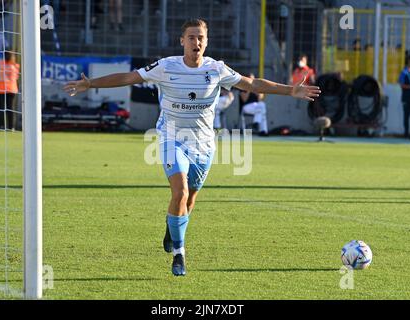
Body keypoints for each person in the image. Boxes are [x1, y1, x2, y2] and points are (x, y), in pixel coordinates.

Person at [63, 18, 320, 276]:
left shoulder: (217, 69)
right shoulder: (166, 66)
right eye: (191, 37)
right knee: (180, 191)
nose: (196, 42)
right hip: (170, 137)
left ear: (206, 42)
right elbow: (129, 77)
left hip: (204, 144)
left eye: (201, 38)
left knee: (190, 199)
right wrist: (91, 83)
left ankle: (171, 224)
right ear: (182, 41)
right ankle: (179, 253)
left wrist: (290, 91)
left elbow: (252, 84)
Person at [0, 51, 20, 130]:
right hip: (10, 89)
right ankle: (11, 127)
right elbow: (16, 77)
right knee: (10, 109)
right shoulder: (15, 66)